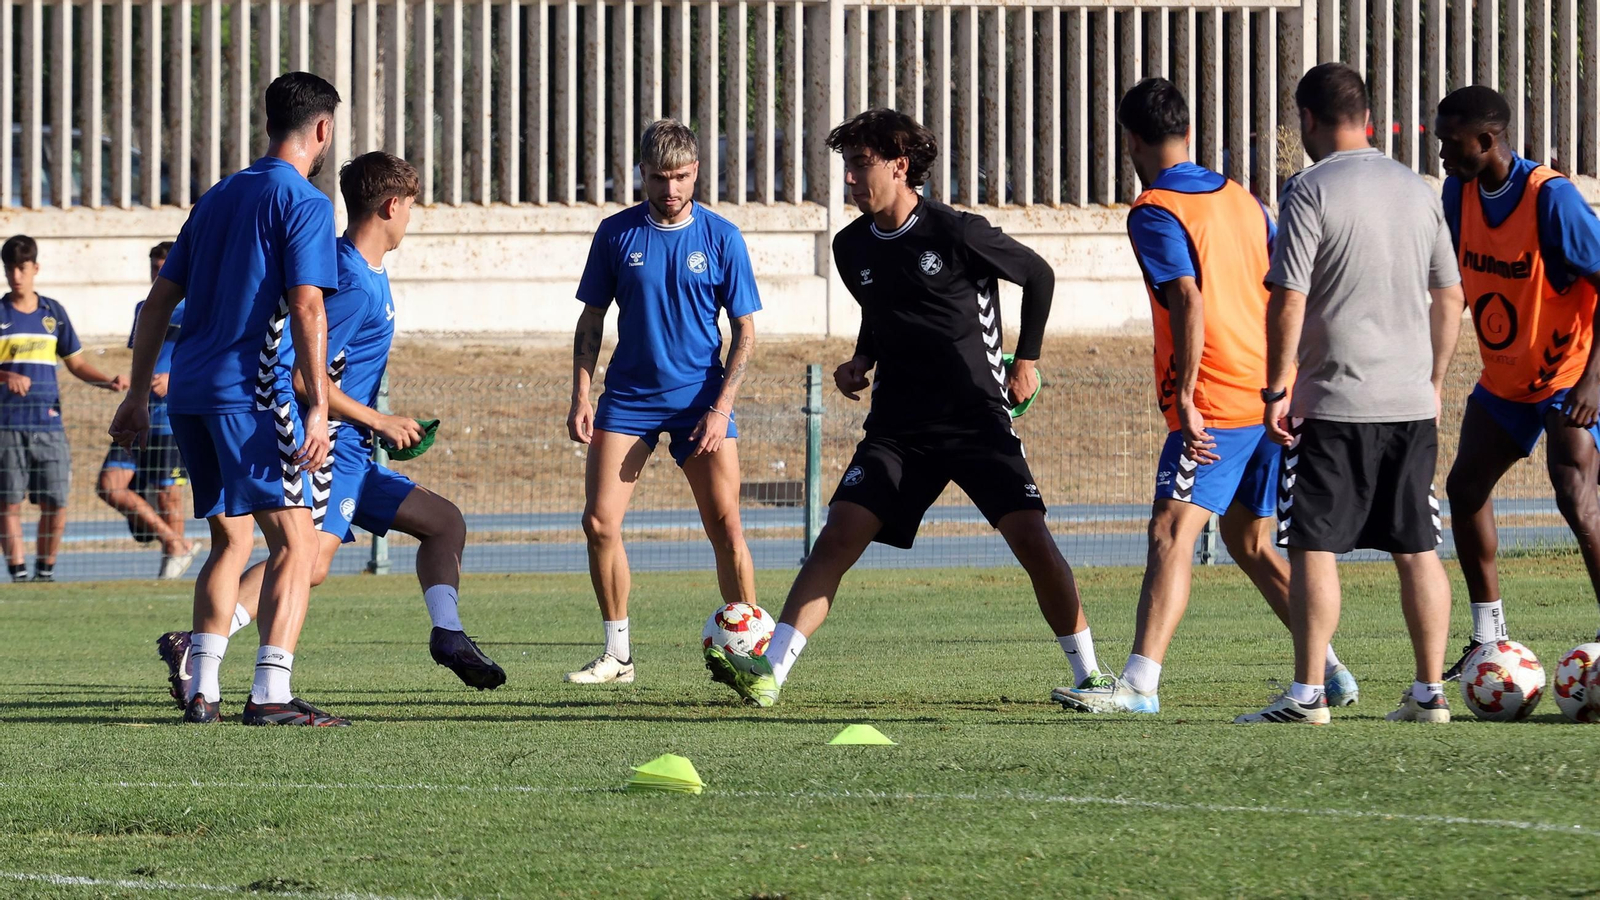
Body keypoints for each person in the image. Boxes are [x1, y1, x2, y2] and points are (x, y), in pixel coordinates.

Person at [707, 108, 1104, 708]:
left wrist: (1027, 360)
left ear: (899, 165)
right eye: (846, 166)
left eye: (861, 165)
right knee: (837, 537)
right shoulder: (850, 247)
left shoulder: (956, 231)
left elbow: (1039, 276)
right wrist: (861, 361)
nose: (850, 179)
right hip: (897, 427)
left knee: (1031, 539)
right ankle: (770, 674)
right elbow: (883, 308)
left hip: (975, 417)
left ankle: (1089, 675)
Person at [155, 151, 504, 706]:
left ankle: (448, 633)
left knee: (442, 523)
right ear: (392, 205)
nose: (411, 218)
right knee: (301, 558)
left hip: (353, 455)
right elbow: (301, 374)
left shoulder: (369, 273)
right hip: (327, 451)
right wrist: (376, 419)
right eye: (411, 206)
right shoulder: (348, 278)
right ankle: (222, 663)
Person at [1056, 78, 1360, 716]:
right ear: (1188, 133)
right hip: (1265, 392)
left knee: (1171, 530)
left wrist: (1188, 395)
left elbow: (1187, 300)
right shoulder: (1243, 200)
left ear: (1131, 140)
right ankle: (1327, 668)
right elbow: (1285, 286)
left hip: (1216, 402)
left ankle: (1139, 685)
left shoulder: (1155, 210)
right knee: (1250, 540)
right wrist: (1287, 379)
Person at [110, 71, 343, 727]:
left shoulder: (215, 198)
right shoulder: (304, 202)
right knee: (297, 543)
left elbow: (160, 299)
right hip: (249, 393)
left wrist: (135, 393)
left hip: (188, 392)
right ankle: (270, 693)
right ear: (322, 129)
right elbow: (306, 305)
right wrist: (319, 407)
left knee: (229, 540)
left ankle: (203, 691)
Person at [1235, 63, 1466, 725]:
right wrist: (1433, 380)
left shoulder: (1309, 189)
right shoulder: (1419, 189)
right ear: (1365, 114)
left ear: (1307, 119)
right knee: (1417, 546)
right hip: (1409, 402)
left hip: (1333, 401)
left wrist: (1278, 386)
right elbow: (1449, 295)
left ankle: (1308, 694)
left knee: (1313, 544)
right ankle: (1429, 693)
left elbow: (1290, 296)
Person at [564, 119, 761, 685]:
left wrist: (722, 408)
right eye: (658, 177)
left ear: (696, 171)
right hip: (627, 400)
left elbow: (745, 331)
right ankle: (618, 656)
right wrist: (582, 391)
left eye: (679, 177)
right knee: (599, 522)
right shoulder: (615, 234)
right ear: (642, 174)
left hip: (701, 403)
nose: (670, 189)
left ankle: (752, 655)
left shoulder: (722, 237)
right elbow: (591, 319)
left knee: (727, 529)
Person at [1433, 85, 1600, 680]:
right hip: (1504, 382)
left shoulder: (1552, 198)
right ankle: (1487, 640)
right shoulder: (1459, 193)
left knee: (1575, 498)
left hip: (1567, 378)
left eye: (1450, 143)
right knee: (1465, 487)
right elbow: (1451, 281)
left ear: (1488, 139)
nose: (1442, 155)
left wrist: (1592, 382)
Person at [1, 234, 129, 583]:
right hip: (6, 426)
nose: (16, 276)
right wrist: (6, 375)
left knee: (56, 502)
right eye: (10, 268)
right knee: (8, 504)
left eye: (22, 268)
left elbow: (76, 363)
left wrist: (107, 380)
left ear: (35, 269)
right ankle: (19, 573)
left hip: (49, 424)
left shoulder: (52, 313)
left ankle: (44, 572)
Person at [96, 241, 203, 580]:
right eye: (154, 268)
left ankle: (171, 568)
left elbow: (208, 356)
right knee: (110, 485)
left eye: (164, 267)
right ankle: (176, 543)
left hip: (172, 418)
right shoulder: (145, 307)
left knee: (168, 494)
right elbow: (142, 355)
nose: (159, 273)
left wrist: (175, 378)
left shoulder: (198, 306)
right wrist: (135, 380)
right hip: (139, 412)